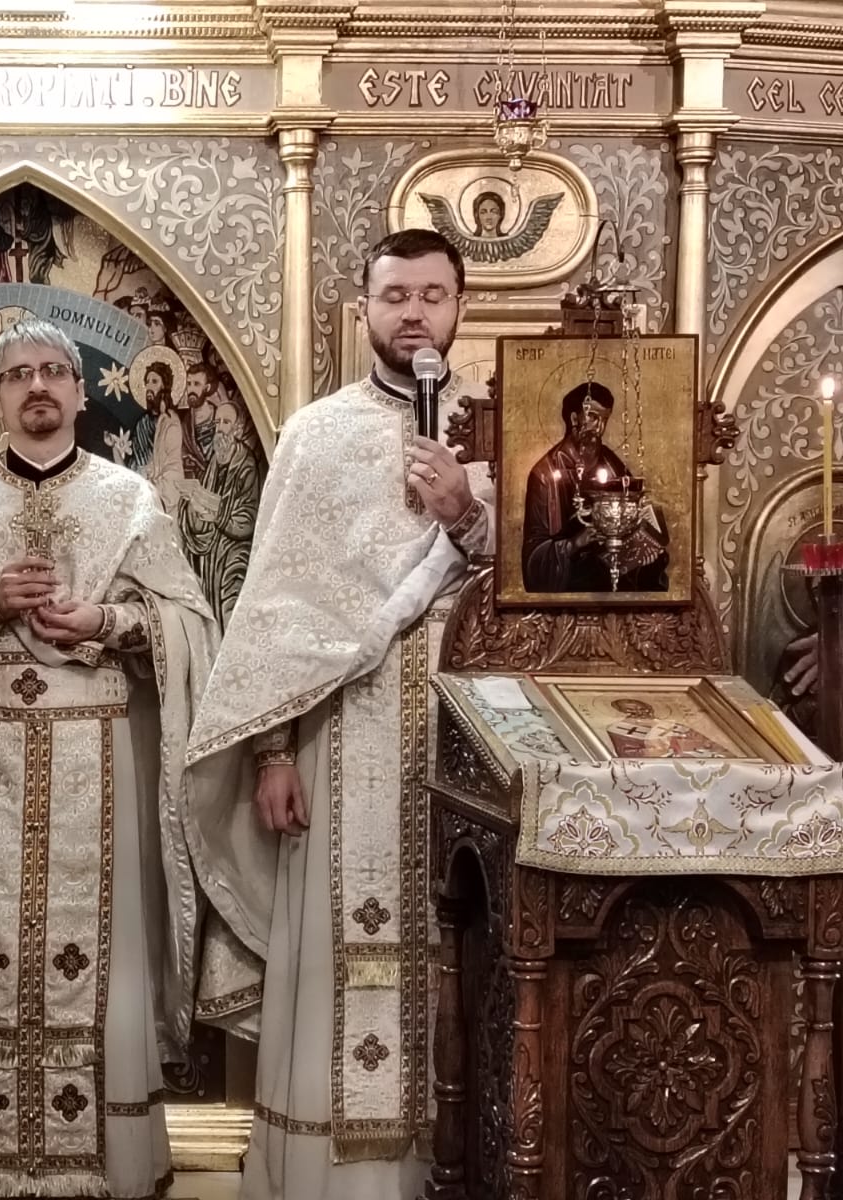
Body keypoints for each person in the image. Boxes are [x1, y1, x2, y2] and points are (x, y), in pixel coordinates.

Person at [0, 316, 220, 1199]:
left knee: (97, 958)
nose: (37, 385)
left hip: (96, 756)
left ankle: (98, 1161)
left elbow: (189, 624)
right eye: (18, 373)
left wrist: (108, 620)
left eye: (54, 371)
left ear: (80, 389)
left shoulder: (128, 500)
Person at [184, 228, 494, 1200]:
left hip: (470, 738)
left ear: (460, 306)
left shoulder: (500, 423)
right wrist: (272, 752)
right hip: (340, 734)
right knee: (339, 951)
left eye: (432, 295)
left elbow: (545, 583)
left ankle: (457, 1163)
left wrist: (468, 514)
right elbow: (276, 610)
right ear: (366, 310)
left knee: (467, 941)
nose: (414, 313)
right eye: (395, 296)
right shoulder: (316, 434)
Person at [521, 380, 669, 593]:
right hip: (574, 573)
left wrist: (644, 547)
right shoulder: (545, 475)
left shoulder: (610, 462)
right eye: (592, 417)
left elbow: (634, 511)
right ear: (574, 418)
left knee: (655, 563)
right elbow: (534, 558)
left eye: (604, 420)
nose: (598, 428)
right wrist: (575, 543)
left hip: (612, 560)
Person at [177, 399, 262, 625]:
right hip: (214, 553)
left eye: (226, 422)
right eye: (217, 423)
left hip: (236, 554)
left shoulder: (246, 464)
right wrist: (192, 506)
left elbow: (247, 520)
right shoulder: (215, 461)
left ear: (238, 429)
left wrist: (218, 515)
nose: (219, 429)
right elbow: (206, 500)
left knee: (230, 609)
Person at [604, 697, 729, 758]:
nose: (640, 711)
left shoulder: (671, 722)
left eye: (641, 707)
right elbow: (628, 754)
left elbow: (703, 740)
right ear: (623, 712)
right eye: (631, 710)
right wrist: (654, 750)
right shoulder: (619, 730)